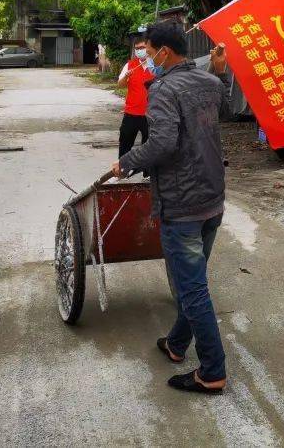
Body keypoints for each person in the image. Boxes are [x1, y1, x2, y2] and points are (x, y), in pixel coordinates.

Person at [110, 22, 232, 394]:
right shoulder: (210, 83)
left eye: (149, 50)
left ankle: (212, 371)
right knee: (191, 281)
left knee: (191, 289)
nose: (147, 56)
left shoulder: (162, 89)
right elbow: (224, 114)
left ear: (164, 51)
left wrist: (127, 161)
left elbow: (161, 143)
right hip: (213, 199)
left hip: (182, 204)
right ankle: (177, 345)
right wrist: (221, 72)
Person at [116, 34, 154, 158]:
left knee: (149, 144)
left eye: (142, 47)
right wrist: (126, 76)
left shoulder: (155, 66)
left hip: (150, 114)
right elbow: (120, 85)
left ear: (148, 47)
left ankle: (147, 173)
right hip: (131, 112)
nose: (139, 51)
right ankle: (122, 170)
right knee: (125, 142)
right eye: (136, 48)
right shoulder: (130, 65)